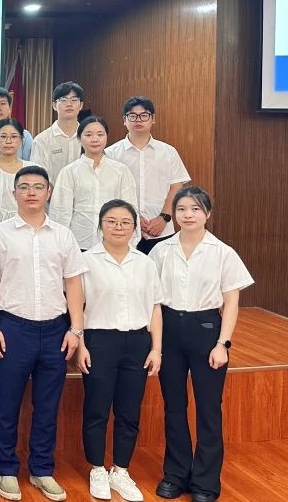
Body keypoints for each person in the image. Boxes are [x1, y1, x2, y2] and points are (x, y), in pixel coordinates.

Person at [0, 165, 88, 502]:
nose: (31, 192)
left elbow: (74, 283)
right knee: (8, 404)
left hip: (56, 329)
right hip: (13, 328)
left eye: (38, 187)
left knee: (47, 406)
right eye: (24, 186)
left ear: (49, 192)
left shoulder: (63, 235)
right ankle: (7, 469)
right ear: (13, 193)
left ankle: (42, 469)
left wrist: (76, 329)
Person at [149, 187, 252, 502]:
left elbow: (231, 303)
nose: (188, 214)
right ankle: (176, 474)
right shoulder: (161, 251)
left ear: (207, 213)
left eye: (195, 208)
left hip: (207, 330)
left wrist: (223, 343)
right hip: (169, 329)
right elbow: (152, 300)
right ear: (174, 214)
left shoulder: (223, 252)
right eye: (181, 209)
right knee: (174, 406)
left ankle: (206, 482)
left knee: (209, 409)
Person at [76, 199, 163, 502]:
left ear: (134, 228)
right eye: (111, 221)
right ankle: (97, 469)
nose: (118, 227)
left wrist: (156, 349)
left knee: (129, 411)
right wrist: (81, 344)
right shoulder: (86, 261)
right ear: (101, 225)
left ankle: (121, 470)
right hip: (99, 341)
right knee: (97, 409)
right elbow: (76, 307)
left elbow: (155, 307)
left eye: (125, 222)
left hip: (137, 343)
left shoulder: (145, 263)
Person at [106, 96, 191, 254]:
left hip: (162, 229)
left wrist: (164, 218)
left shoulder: (168, 152)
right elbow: (108, 191)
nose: (138, 120)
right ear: (124, 120)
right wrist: (132, 217)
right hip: (123, 230)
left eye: (144, 115)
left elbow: (176, 187)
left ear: (153, 119)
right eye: (132, 116)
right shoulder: (111, 154)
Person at [52, 116, 138, 250]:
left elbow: (131, 209)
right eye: (88, 135)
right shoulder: (69, 172)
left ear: (106, 137)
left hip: (114, 243)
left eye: (100, 134)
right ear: (79, 138)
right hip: (78, 243)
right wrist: (61, 245)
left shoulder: (121, 171)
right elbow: (60, 213)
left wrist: (131, 244)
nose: (95, 139)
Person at [31, 81, 84, 182]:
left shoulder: (88, 137)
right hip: (53, 192)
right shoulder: (42, 140)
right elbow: (38, 177)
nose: (69, 104)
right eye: (63, 100)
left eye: (74, 100)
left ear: (81, 105)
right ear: (54, 105)